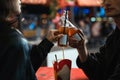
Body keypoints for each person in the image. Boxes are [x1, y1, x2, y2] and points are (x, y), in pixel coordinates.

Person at [0, 0, 63, 80]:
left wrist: (48, 41)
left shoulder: (9, 33)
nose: (20, 0)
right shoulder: (15, 41)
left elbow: (26, 67)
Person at [69, 0, 120, 80]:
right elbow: (99, 71)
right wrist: (81, 48)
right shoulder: (114, 37)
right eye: (104, 0)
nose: (106, 3)